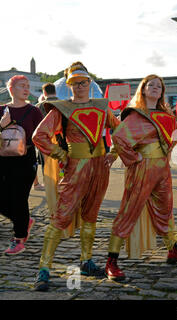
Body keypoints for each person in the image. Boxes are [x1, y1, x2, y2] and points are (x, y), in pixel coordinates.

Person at [32, 62, 120, 291]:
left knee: (91, 215)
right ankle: (44, 269)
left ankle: (86, 261)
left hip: (100, 167)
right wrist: (61, 154)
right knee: (61, 216)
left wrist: (115, 152)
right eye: (74, 83)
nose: (79, 87)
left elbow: (120, 129)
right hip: (76, 168)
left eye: (83, 82)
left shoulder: (102, 107)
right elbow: (39, 135)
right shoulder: (61, 109)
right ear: (68, 84)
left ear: (89, 83)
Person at [104, 74, 177, 281]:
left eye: (159, 86)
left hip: (162, 168)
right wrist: (134, 157)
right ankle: (111, 261)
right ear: (142, 90)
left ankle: (173, 250)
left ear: (162, 92)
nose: (155, 88)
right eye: (150, 85)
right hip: (142, 168)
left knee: (166, 209)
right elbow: (118, 137)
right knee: (129, 209)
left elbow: (173, 138)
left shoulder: (166, 115)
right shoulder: (137, 115)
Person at [0, 75, 43, 255]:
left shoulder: (34, 112)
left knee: (19, 198)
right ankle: (23, 221)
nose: (26, 89)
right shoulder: (1, 110)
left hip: (25, 159)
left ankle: (18, 238)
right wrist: (1, 126)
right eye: (21, 86)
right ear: (11, 89)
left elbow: (42, 136)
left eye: (27, 86)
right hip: (2, 160)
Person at [33, 83, 58, 191]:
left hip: (44, 140)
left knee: (46, 163)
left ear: (44, 92)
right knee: (61, 163)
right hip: (60, 139)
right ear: (55, 91)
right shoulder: (63, 103)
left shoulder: (38, 106)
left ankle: (48, 185)